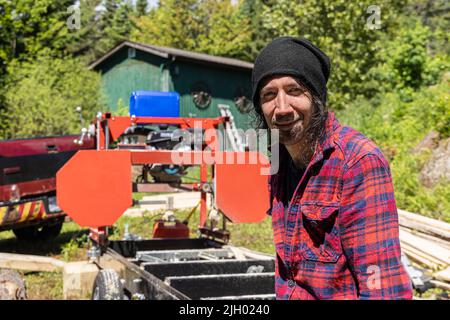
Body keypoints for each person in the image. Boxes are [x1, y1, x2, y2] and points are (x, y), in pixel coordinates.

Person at [252, 37, 413, 300]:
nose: (281, 108)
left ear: (316, 97)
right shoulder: (280, 162)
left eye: (294, 91)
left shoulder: (358, 163)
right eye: (269, 95)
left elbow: (384, 291)